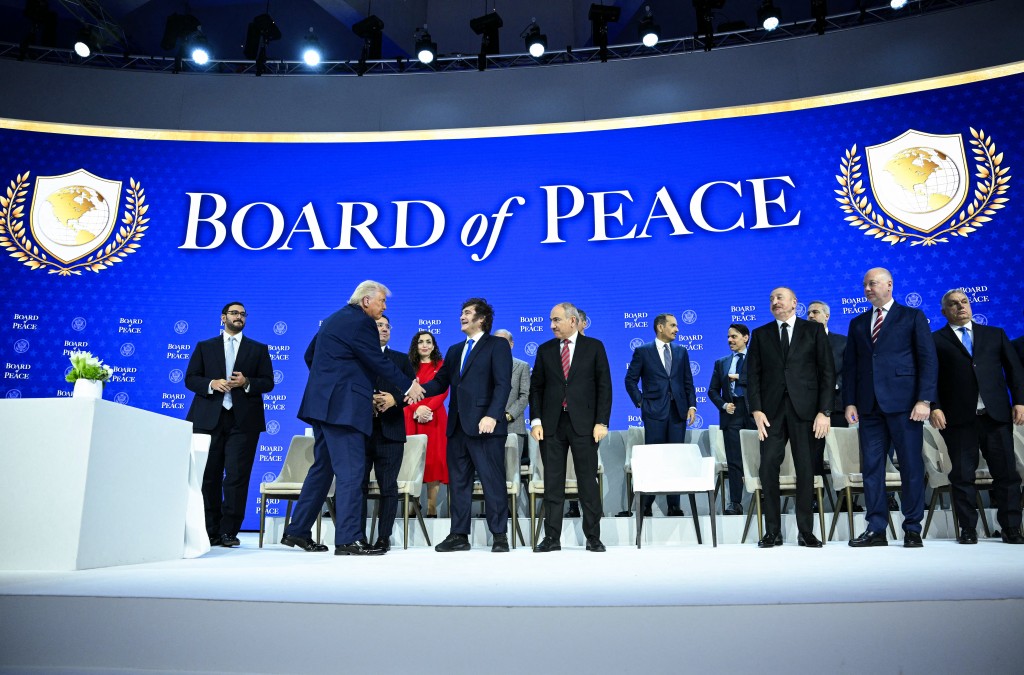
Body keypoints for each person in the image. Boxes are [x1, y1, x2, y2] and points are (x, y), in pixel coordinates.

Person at [282, 280, 424, 556]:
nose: (384, 307)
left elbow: (310, 355)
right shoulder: (362, 323)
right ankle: (348, 539)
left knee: (323, 469)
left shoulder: (334, 319)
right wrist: (408, 386)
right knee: (351, 470)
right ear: (366, 301)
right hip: (343, 409)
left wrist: (333, 382)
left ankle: (296, 530)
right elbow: (377, 361)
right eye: (382, 301)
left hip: (323, 405)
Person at [844, 268, 937, 548]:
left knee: (910, 466)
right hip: (869, 407)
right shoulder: (858, 323)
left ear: (889, 285)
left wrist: (924, 400)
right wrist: (849, 401)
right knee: (872, 468)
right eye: (865, 285)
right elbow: (851, 366)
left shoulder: (912, 316)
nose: (867, 289)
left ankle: (912, 528)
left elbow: (928, 360)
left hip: (906, 405)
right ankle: (876, 529)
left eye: (872, 283)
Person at [929, 290, 1024, 544]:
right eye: (953, 304)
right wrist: (934, 406)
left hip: (996, 416)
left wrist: (1021, 402)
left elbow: (1015, 372)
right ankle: (968, 529)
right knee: (962, 476)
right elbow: (930, 378)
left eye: (964, 302)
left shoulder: (995, 334)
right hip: (958, 419)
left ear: (970, 305)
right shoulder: (935, 340)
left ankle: (1011, 528)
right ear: (944, 312)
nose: (960, 307)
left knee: (1006, 474)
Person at [423, 298, 513, 553]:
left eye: (467, 313)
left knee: (492, 481)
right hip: (457, 428)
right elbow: (440, 383)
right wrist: (417, 389)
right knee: (459, 483)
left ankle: (499, 536)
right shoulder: (454, 350)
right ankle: (459, 535)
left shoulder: (497, 345)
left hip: (486, 427)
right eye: (461, 313)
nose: (462, 317)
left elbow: (502, 384)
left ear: (481, 319)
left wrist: (493, 416)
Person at [747, 287, 835, 548]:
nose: (775, 302)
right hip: (771, 414)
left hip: (807, 412)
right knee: (768, 467)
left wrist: (825, 411)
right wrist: (756, 409)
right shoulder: (761, 334)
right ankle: (772, 531)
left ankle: (806, 531)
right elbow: (752, 375)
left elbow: (827, 373)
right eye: (771, 299)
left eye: (780, 298)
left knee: (806, 469)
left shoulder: (813, 330)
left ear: (794, 303)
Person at [185, 302, 275, 548]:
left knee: (237, 476)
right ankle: (209, 530)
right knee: (209, 477)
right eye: (234, 313)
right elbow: (190, 379)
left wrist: (247, 382)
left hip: (243, 421)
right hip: (207, 420)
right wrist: (211, 384)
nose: (239, 317)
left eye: (243, 314)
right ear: (223, 317)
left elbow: (268, 383)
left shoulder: (258, 349)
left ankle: (229, 531)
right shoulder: (205, 347)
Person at [530, 302, 612, 552]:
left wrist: (601, 422)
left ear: (573, 321)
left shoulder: (594, 347)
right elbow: (537, 388)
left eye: (556, 320)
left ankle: (593, 537)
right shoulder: (545, 350)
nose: (552, 325)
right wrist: (536, 420)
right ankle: (552, 538)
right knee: (553, 482)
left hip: (585, 425)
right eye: (551, 321)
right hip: (552, 426)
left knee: (587, 481)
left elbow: (604, 387)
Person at [624, 313, 697, 517]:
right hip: (654, 412)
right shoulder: (643, 351)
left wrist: (692, 406)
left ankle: (674, 505)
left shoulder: (681, 351)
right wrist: (641, 402)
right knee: (653, 460)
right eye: (673, 325)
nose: (677, 329)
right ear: (660, 327)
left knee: (675, 459)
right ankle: (646, 503)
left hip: (677, 413)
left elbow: (688, 382)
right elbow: (630, 380)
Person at [360, 314, 416, 553]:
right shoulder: (359, 356)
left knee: (388, 487)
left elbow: (412, 392)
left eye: (386, 326)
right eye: (378, 325)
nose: (383, 329)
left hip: (391, 431)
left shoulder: (402, 360)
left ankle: (384, 537)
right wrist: (366, 400)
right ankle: (357, 536)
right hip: (361, 431)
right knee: (357, 486)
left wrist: (395, 399)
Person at [806, 300, 851, 509]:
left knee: (840, 456)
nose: (811, 316)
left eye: (815, 312)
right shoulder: (800, 344)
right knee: (813, 455)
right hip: (810, 409)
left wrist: (833, 384)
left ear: (827, 316)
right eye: (808, 313)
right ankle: (816, 499)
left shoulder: (842, 342)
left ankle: (845, 500)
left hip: (838, 406)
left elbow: (850, 374)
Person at [707, 324, 755, 516]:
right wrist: (723, 405)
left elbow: (767, 383)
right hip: (732, 412)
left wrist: (740, 378)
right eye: (728, 337)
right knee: (734, 460)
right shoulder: (721, 363)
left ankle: (765, 498)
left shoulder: (758, 360)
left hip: (754, 413)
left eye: (734, 337)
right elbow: (712, 390)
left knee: (759, 458)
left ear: (746, 338)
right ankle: (735, 502)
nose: (730, 340)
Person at [405, 330, 449, 517]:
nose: (424, 345)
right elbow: (403, 390)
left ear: (433, 346)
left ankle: (431, 509)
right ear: (416, 345)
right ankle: (411, 508)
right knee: (411, 462)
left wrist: (427, 409)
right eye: (421, 342)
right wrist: (417, 409)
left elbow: (443, 390)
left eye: (428, 342)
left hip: (435, 418)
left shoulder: (441, 365)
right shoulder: (408, 366)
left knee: (434, 461)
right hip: (410, 415)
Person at [494, 329, 531, 462]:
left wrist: (508, 415)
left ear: (511, 344)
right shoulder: (485, 366)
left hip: (513, 427)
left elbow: (525, 395)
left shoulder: (522, 366)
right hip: (489, 427)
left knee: (511, 472)